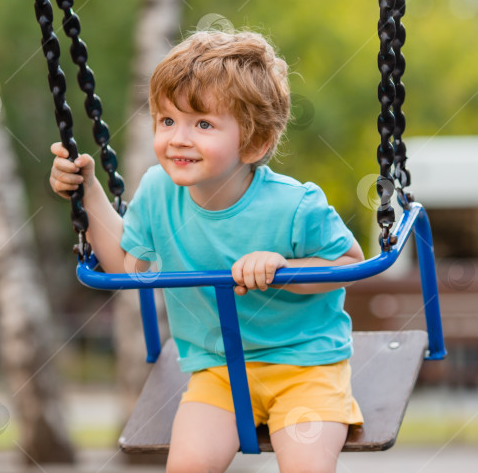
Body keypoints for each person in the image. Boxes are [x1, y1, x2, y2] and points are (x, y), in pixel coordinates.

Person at [50, 31, 364, 473]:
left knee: (306, 466)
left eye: (202, 124)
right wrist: (89, 193)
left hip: (306, 366)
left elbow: (351, 264)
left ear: (253, 144)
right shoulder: (157, 193)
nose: (178, 138)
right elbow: (125, 264)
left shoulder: (295, 205)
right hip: (218, 369)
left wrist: (284, 267)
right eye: (166, 121)